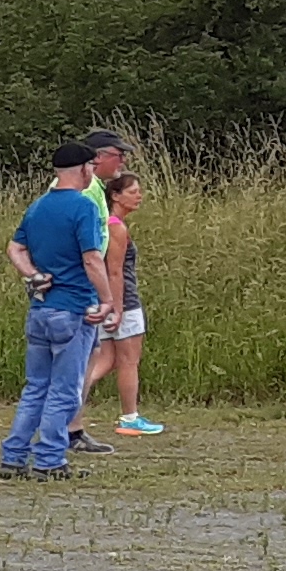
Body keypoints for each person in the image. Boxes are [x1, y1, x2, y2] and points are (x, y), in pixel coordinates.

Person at [0, 140, 123, 477]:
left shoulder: (38, 206)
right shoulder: (84, 207)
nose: (92, 173)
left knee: (36, 387)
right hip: (73, 307)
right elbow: (91, 258)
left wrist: (34, 275)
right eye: (91, 167)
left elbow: (14, 248)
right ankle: (50, 459)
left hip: (41, 309)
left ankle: (14, 455)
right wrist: (107, 299)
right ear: (83, 169)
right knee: (65, 390)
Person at [87, 142, 164, 438]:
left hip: (103, 300)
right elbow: (115, 270)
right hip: (123, 301)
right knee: (129, 361)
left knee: (106, 360)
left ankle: (65, 404)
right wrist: (118, 309)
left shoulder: (104, 224)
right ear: (116, 196)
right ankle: (130, 416)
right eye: (133, 191)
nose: (139, 196)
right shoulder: (116, 227)